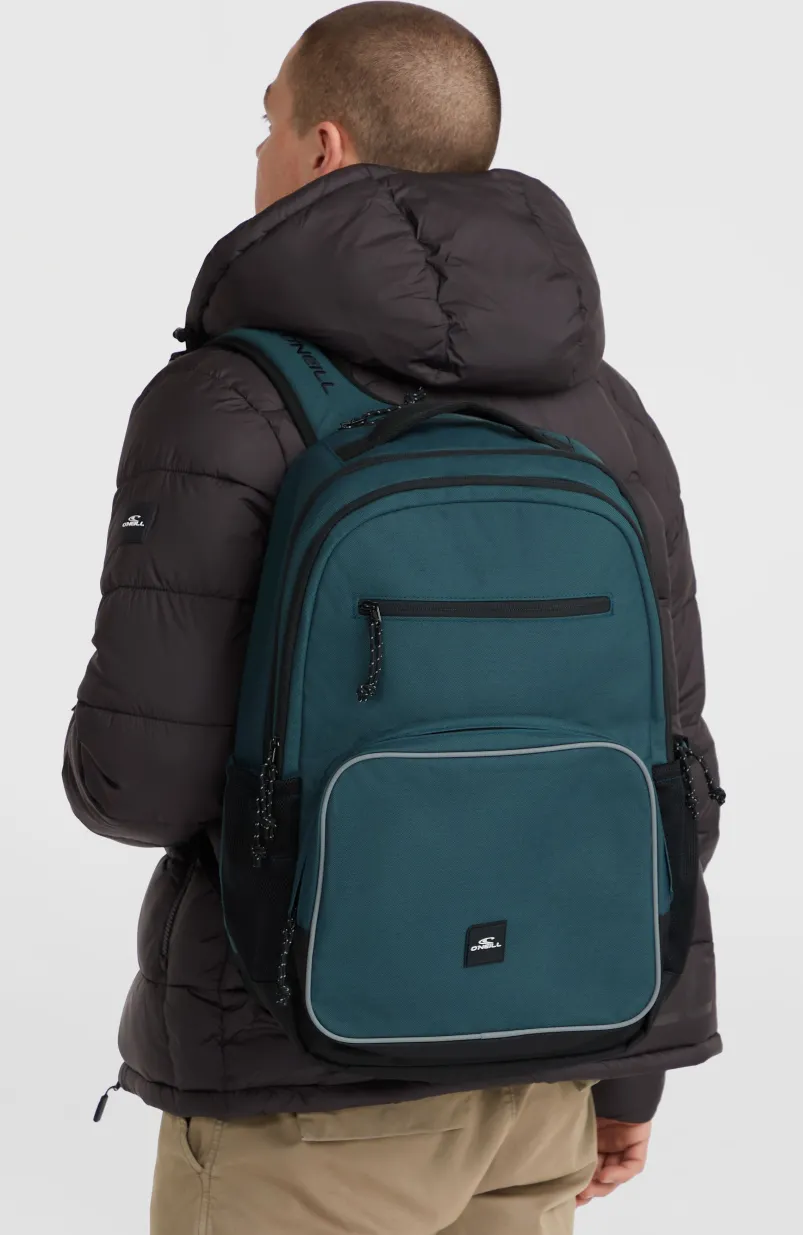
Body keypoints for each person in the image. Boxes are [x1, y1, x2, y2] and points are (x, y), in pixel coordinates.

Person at [64, 4, 722, 1233]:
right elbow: (672, 769)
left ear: (322, 146)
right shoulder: (603, 408)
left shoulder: (224, 397)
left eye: (265, 121)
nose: (255, 151)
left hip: (295, 1071)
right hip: (550, 1056)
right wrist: (631, 1064)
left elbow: (135, 784)